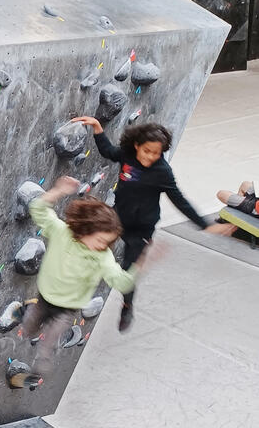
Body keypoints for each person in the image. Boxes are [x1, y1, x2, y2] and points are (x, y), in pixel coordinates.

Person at [71, 118, 228, 331]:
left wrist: (205, 225)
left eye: (157, 153)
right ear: (137, 145)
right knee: (92, 251)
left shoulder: (162, 171)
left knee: (128, 269)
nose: (151, 157)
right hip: (117, 219)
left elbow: (179, 200)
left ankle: (127, 306)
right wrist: (98, 128)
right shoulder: (127, 155)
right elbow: (108, 151)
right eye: (147, 151)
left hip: (142, 228)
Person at [15, 177, 145, 386]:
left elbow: (120, 281)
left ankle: (41, 366)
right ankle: (26, 313)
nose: (104, 245)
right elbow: (38, 209)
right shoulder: (62, 232)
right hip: (45, 296)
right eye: (101, 240)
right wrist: (58, 191)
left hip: (68, 308)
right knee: (28, 329)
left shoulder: (102, 256)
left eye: (108, 243)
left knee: (49, 343)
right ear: (85, 229)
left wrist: (139, 265)